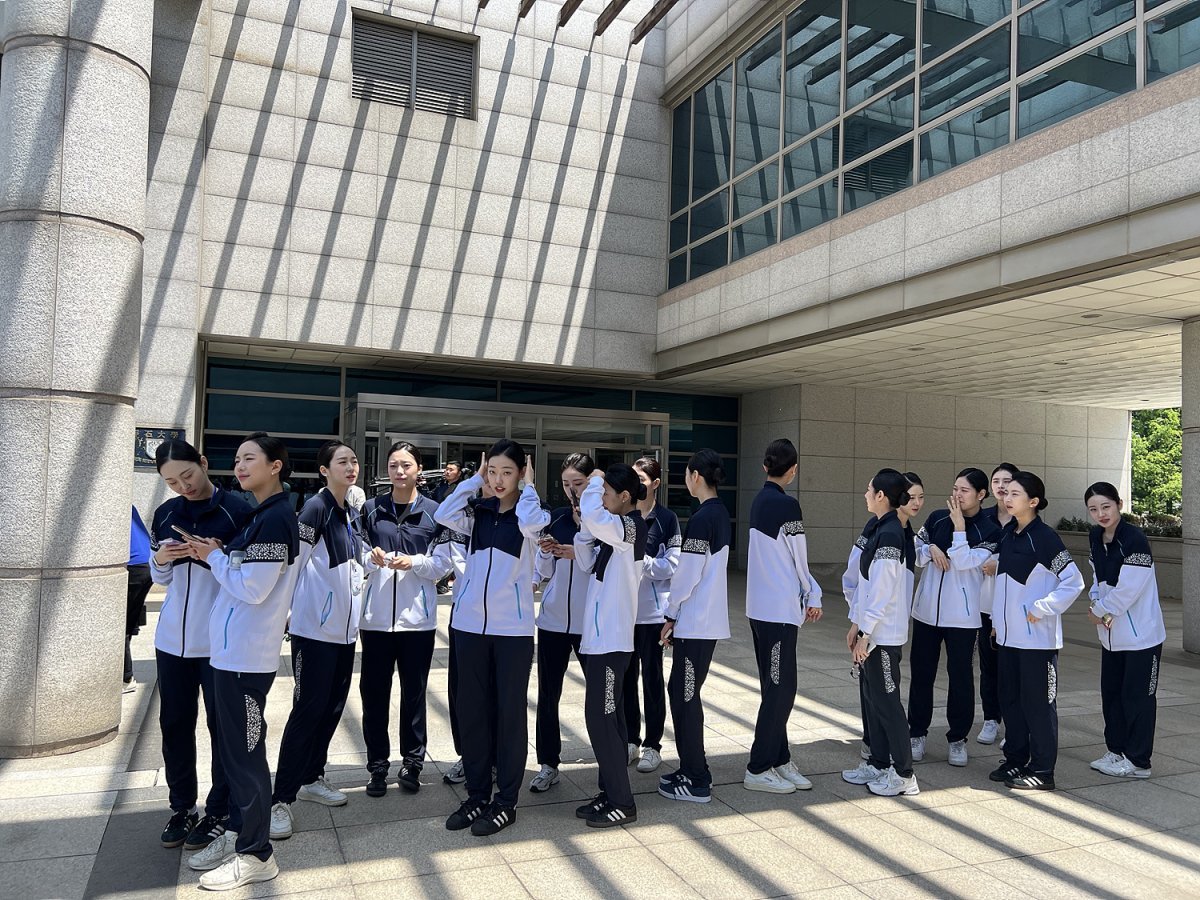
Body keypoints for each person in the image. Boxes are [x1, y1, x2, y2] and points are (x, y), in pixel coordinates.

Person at [182, 433, 301, 890]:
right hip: (230, 655)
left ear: (276, 466)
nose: (239, 465)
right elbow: (246, 575)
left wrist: (214, 557)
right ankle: (237, 832)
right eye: (236, 459)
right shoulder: (258, 516)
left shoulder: (275, 518)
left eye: (250, 458)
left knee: (247, 756)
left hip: (247, 659)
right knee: (235, 753)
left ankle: (257, 854)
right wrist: (219, 552)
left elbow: (255, 589)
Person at [435, 440, 549, 836]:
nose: (499, 480)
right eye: (493, 471)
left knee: (508, 715)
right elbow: (444, 511)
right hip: (469, 627)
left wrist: (530, 489)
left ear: (521, 474)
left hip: (512, 632)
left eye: (508, 472)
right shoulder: (476, 511)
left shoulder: (529, 514)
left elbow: (536, 525)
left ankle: (505, 801)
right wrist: (472, 481)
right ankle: (477, 794)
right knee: (473, 713)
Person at [148, 440, 251, 852]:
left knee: (221, 727)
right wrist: (162, 559)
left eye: (187, 475)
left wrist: (216, 556)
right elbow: (164, 581)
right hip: (172, 639)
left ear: (204, 463)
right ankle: (181, 807)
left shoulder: (238, 511)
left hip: (218, 642)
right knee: (174, 725)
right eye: (172, 481)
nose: (182, 486)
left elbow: (249, 581)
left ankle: (219, 809)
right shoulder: (166, 513)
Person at [269, 441, 366, 840]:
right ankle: (280, 800)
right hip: (314, 633)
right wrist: (285, 614)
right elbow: (294, 562)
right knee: (307, 711)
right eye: (342, 461)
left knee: (331, 708)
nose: (351, 466)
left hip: (344, 634)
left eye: (354, 460)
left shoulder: (350, 511)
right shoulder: (317, 507)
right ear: (324, 470)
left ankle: (313, 777)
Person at [359, 442, 447, 797]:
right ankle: (377, 766)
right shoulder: (369, 509)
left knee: (414, 693)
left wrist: (415, 563)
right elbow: (357, 553)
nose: (399, 471)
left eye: (406, 465)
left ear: (419, 470)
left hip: (417, 621)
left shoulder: (435, 512)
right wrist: (371, 559)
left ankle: (413, 762)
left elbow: (443, 564)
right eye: (394, 465)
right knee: (374, 694)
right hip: (376, 619)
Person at [988, 471, 1084, 792]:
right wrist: (997, 625)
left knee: (1039, 705)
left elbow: (1074, 580)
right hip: (1008, 638)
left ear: (1033, 501)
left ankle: (1043, 770)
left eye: (1015, 493)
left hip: (1036, 641)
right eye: (1006, 492)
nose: (1007, 496)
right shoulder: (1009, 533)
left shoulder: (1043, 537)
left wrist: (1041, 608)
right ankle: (1016, 759)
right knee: (1010, 701)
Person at [743, 438, 823, 795]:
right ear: (793, 470)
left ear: (765, 466)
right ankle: (759, 766)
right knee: (781, 689)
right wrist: (813, 593)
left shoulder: (760, 501)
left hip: (761, 610)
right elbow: (799, 559)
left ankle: (779, 757)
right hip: (777, 611)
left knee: (774, 687)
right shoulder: (787, 505)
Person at [908, 469, 1002, 768]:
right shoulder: (936, 517)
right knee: (921, 674)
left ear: (981, 495)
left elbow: (965, 563)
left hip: (963, 617)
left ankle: (958, 738)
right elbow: (914, 550)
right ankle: (916, 734)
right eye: (955, 488)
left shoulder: (989, 529)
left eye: (964, 490)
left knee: (960, 677)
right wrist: (929, 547)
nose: (957, 495)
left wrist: (960, 528)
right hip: (926, 613)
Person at [572, 464, 648, 827]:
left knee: (601, 720)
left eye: (605, 492)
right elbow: (585, 556)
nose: (600, 498)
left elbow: (594, 515)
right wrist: (586, 528)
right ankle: (610, 791)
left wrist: (595, 480)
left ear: (625, 497)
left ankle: (623, 802)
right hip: (601, 641)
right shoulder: (615, 534)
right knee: (608, 721)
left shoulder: (632, 526)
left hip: (612, 643)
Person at [658, 449, 731, 804]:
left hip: (695, 622)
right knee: (685, 694)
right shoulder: (719, 513)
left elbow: (688, 574)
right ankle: (691, 768)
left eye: (686, 474)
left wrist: (671, 613)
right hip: (705, 621)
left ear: (695, 476)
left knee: (685, 697)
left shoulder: (703, 517)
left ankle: (697, 778)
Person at [841, 469, 920, 797]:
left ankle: (904, 775)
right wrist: (856, 624)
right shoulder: (878, 527)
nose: (865, 494)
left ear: (882, 497)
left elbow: (885, 590)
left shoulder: (890, 534)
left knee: (888, 703)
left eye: (869, 490)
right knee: (874, 699)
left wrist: (866, 633)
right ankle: (878, 763)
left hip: (883, 637)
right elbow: (865, 586)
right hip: (873, 632)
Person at [1084, 482, 1165, 779]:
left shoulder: (1134, 539)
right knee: (1113, 695)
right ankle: (1116, 750)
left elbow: (1129, 589)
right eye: (1094, 509)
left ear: (1118, 503)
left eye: (1106, 506)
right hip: (1111, 637)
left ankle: (1139, 760)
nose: (1100, 514)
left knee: (1139, 698)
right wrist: (1095, 602)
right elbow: (1097, 578)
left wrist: (1101, 610)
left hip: (1141, 637)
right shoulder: (1096, 536)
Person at [529, 453, 594, 794]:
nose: (572, 492)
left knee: (599, 694)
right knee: (548, 694)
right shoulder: (555, 518)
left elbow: (607, 568)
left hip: (589, 623)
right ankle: (547, 763)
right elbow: (544, 573)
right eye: (567, 485)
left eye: (579, 484)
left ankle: (610, 754)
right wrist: (545, 551)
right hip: (553, 620)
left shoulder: (603, 521)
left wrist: (579, 549)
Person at [624, 456, 679, 774]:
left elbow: (672, 565)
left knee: (653, 680)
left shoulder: (667, 520)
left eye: (641, 480)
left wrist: (641, 561)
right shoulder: (622, 516)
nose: (635, 485)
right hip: (625, 613)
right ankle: (631, 740)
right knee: (626, 679)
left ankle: (652, 745)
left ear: (655, 484)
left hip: (653, 615)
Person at [976, 463, 1019, 746]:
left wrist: (1000, 564)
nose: (1001, 486)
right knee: (988, 664)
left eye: (1007, 481)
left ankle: (1014, 723)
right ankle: (991, 719)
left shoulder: (1023, 520)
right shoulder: (982, 519)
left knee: (1011, 666)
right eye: (996, 481)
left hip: (1014, 607)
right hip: (986, 604)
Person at [125, 506, 154, 690]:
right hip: (146, 563)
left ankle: (125, 678)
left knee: (121, 625)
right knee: (129, 619)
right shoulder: (128, 503)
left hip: (135, 565)